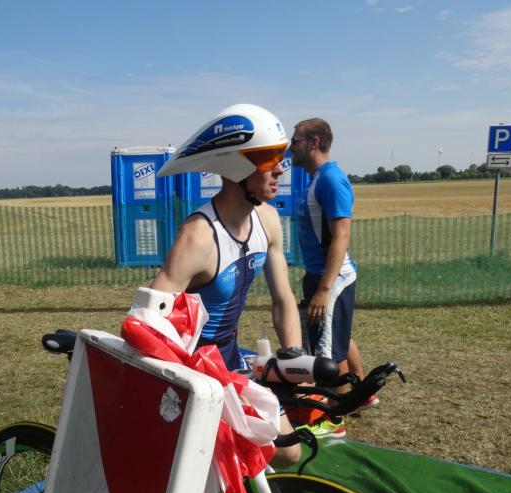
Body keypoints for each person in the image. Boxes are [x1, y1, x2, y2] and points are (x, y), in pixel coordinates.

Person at [152, 103, 303, 466]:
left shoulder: (268, 220)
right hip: (194, 370)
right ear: (237, 166)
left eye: (281, 157)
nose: (280, 168)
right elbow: (149, 319)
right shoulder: (198, 237)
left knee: (289, 450)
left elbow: (283, 299)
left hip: (231, 356)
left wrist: (294, 357)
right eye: (269, 158)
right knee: (215, 464)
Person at [289, 117, 374, 437]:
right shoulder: (316, 178)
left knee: (326, 353)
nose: (290, 148)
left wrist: (324, 290)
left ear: (313, 143)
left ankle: (334, 420)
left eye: (295, 141)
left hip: (331, 278)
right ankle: (361, 395)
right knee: (338, 337)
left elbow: (341, 236)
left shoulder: (331, 180)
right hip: (321, 275)